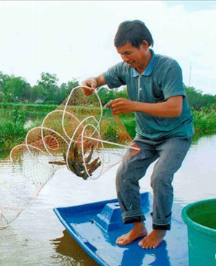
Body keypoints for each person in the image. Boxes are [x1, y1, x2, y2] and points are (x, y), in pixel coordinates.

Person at [82, 20, 194, 249]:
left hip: (175, 135)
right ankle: (137, 226)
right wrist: (91, 82)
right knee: (124, 173)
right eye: (121, 54)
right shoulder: (126, 68)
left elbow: (175, 108)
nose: (124, 58)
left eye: (128, 52)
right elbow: (100, 79)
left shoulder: (168, 67)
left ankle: (159, 230)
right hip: (145, 136)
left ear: (144, 45)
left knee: (160, 177)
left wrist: (133, 105)